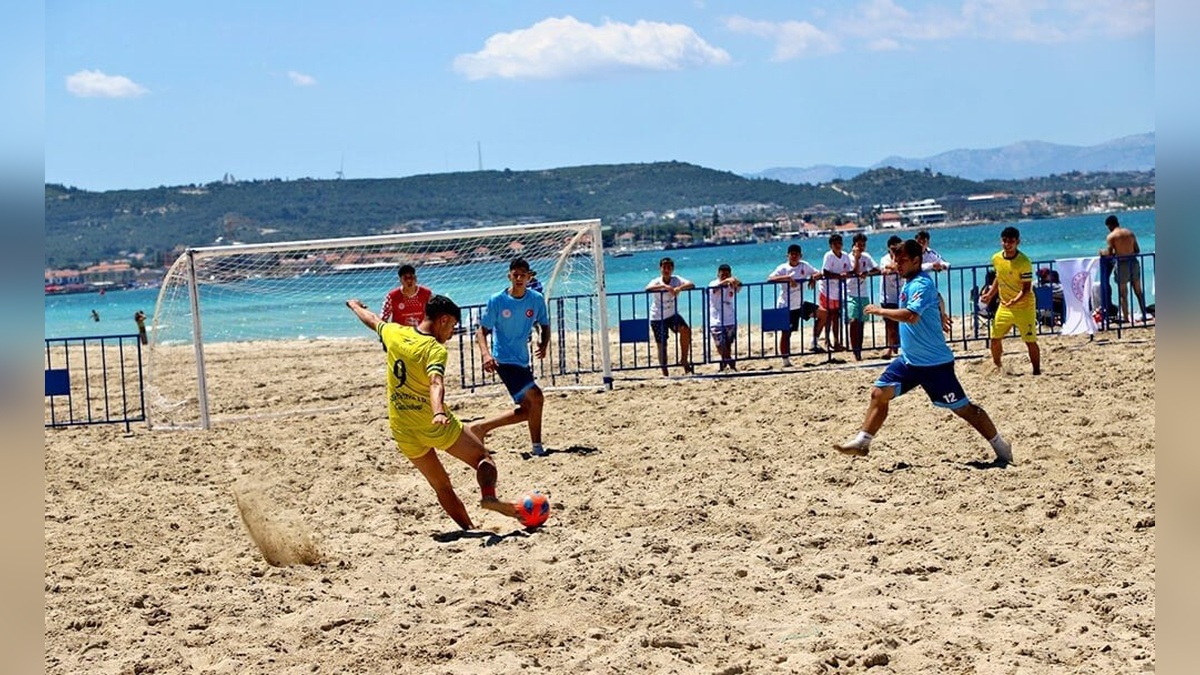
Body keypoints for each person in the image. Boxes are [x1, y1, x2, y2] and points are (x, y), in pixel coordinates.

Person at [345, 294, 523, 530]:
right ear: (443, 320)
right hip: (433, 424)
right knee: (483, 458)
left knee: (441, 485)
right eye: (452, 326)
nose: (451, 333)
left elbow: (372, 319)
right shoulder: (434, 349)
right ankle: (489, 496)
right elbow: (435, 382)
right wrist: (438, 411)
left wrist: (355, 306)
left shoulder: (395, 333)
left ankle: (469, 529)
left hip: (403, 429)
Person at [833, 238, 1013, 466]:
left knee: (964, 410)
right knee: (879, 393)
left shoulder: (920, 284)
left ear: (917, 261)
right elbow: (935, 297)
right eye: (896, 260)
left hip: (934, 365)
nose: (897, 265)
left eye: (903, 261)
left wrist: (879, 310)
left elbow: (911, 315)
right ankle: (862, 442)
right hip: (909, 362)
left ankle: (1001, 447)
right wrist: (942, 309)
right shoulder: (910, 282)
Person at [471, 258, 552, 457]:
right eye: (515, 274)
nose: (518, 278)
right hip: (503, 360)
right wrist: (486, 354)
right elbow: (481, 330)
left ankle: (480, 428)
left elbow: (545, 324)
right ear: (509, 276)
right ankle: (537, 447)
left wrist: (544, 343)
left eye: (522, 275)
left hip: (522, 359)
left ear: (528, 277)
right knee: (537, 397)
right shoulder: (497, 300)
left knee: (527, 409)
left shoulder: (536, 299)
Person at [980, 226, 1041, 375]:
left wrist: (1014, 300)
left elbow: (1026, 289)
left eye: (1011, 241)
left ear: (1017, 242)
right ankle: (998, 367)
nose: (1007, 244)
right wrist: (989, 294)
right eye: (1005, 241)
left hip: (1024, 306)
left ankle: (1036, 371)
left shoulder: (1024, 261)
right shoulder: (996, 258)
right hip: (1005, 306)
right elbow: (999, 278)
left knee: (1030, 341)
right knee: (994, 338)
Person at [766, 244, 821, 367]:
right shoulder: (783, 268)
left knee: (823, 314)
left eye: (796, 254)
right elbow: (769, 279)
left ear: (800, 255)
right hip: (786, 306)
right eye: (792, 254)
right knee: (786, 333)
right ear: (788, 255)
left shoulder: (804, 265)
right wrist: (787, 278)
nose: (794, 256)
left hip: (800, 305)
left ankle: (815, 342)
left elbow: (819, 273)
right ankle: (785, 360)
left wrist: (813, 277)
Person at [645, 257, 695, 376]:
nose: (666, 270)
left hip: (672, 314)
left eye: (669, 267)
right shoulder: (656, 281)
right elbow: (647, 289)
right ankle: (665, 371)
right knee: (662, 345)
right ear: (660, 268)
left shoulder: (676, 279)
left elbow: (692, 284)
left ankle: (684, 360)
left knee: (685, 330)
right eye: (664, 267)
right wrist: (664, 287)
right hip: (657, 317)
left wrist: (680, 288)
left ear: (672, 269)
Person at [1100, 215, 1147, 323]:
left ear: (1109, 225)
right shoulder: (1129, 233)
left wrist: (1102, 253)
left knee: (1123, 293)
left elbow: (1110, 253)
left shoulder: (1111, 236)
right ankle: (1144, 314)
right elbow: (1137, 249)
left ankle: (1126, 318)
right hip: (1133, 262)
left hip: (1122, 264)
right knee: (1138, 291)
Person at [816, 233, 854, 352]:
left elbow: (850, 270)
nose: (838, 246)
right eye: (835, 244)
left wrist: (846, 275)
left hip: (838, 291)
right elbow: (826, 272)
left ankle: (837, 341)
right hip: (826, 290)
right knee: (827, 315)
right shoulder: (828, 256)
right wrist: (839, 276)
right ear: (831, 245)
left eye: (840, 243)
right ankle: (827, 340)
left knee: (836, 316)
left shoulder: (845, 256)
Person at [845, 233, 879, 361]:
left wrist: (867, 273)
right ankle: (855, 350)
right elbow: (853, 271)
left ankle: (859, 349)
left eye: (863, 245)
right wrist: (857, 258)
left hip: (863, 293)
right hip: (851, 292)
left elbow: (877, 269)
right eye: (859, 245)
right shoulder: (847, 258)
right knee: (853, 321)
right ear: (854, 245)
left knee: (861, 322)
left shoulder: (867, 256)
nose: (861, 247)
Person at [706, 263, 742, 371]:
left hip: (729, 318)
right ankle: (731, 363)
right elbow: (713, 290)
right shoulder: (714, 283)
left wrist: (735, 281)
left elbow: (740, 287)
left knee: (728, 345)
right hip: (716, 320)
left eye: (727, 274)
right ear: (718, 274)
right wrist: (724, 282)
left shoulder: (732, 284)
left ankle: (724, 364)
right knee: (720, 345)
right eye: (723, 274)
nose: (725, 276)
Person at [877, 236, 904, 357]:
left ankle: (898, 348)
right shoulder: (884, 259)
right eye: (893, 247)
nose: (895, 249)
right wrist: (894, 264)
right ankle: (890, 348)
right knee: (890, 325)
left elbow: (897, 268)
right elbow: (886, 268)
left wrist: (894, 267)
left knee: (902, 324)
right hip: (888, 296)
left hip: (901, 295)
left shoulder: (903, 258)